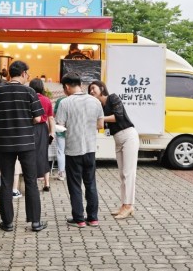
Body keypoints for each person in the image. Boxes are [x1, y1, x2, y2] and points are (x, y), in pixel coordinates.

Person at [0, 60, 47, 233]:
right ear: (22, 74)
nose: (28, 76)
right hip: (26, 143)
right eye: (27, 73)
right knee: (30, 181)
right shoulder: (29, 92)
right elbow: (37, 118)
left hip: (5, 143)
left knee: (6, 181)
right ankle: (35, 222)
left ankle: (7, 223)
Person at [55, 72, 104, 228]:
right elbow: (101, 124)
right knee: (90, 184)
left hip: (73, 150)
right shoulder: (95, 101)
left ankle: (79, 219)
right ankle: (93, 218)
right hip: (90, 149)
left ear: (67, 87)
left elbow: (60, 126)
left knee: (75, 184)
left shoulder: (65, 102)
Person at [88, 80, 139, 219]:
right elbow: (100, 125)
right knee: (122, 174)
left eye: (93, 88)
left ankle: (128, 206)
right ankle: (124, 205)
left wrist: (100, 118)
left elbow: (118, 116)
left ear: (102, 88)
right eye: (90, 90)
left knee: (129, 173)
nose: (91, 91)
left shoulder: (113, 98)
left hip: (129, 136)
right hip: (118, 140)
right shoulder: (101, 107)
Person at [29, 78, 55, 192]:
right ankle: (47, 183)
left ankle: (32, 182)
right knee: (43, 154)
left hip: (30, 128)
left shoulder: (29, 99)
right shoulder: (46, 100)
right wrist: (52, 132)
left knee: (30, 155)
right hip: (43, 129)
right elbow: (51, 118)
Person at [53, 96, 67, 181]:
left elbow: (54, 115)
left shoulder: (60, 100)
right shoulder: (78, 100)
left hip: (61, 131)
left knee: (61, 152)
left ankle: (62, 173)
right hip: (74, 132)